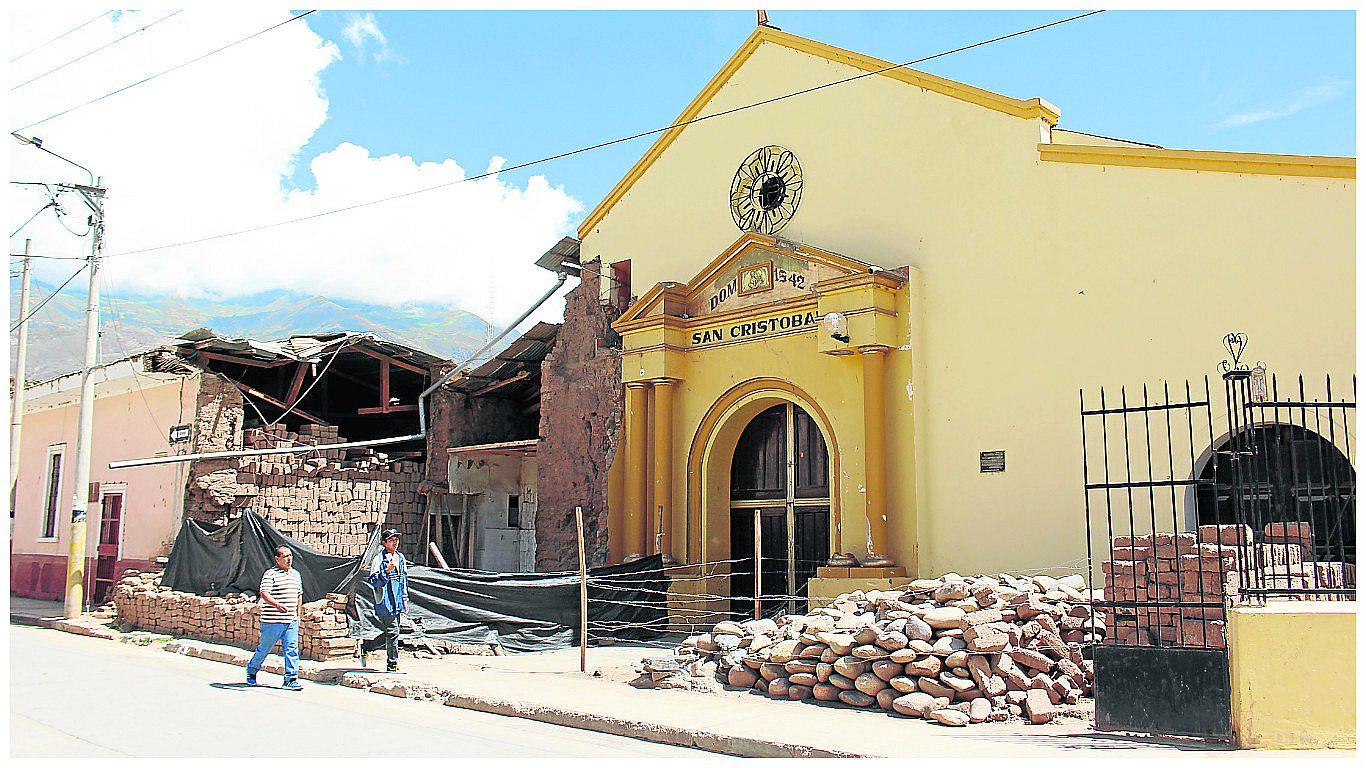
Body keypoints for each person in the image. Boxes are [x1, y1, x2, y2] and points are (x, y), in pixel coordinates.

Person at [247, 545, 304, 690]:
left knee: (291, 648)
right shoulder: (270, 574)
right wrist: (277, 605)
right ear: (277, 559)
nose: (289, 559)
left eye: (290, 555)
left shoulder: (296, 574)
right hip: (273, 620)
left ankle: (290, 679)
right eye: (285, 556)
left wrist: (298, 614)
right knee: (265, 648)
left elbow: (299, 594)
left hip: (290, 620)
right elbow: (264, 593)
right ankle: (252, 671)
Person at [362, 529, 409, 672]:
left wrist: (405, 598)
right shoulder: (379, 559)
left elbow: (404, 579)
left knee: (392, 631)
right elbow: (373, 580)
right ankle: (392, 663)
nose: (395, 543)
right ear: (384, 543)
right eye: (391, 540)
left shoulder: (400, 558)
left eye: (396, 540)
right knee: (393, 630)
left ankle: (367, 646)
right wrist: (387, 571)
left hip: (397, 600)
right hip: (385, 599)